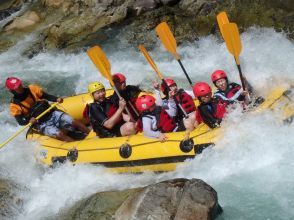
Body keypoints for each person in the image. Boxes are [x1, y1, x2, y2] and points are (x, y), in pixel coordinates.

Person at [6, 77, 90, 142]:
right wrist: (29, 120)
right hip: (41, 123)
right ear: (12, 90)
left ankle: (91, 135)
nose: (20, 87)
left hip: (51, 113)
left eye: (19, 85)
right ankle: (77, 147)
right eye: (17, 87)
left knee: (72, 121)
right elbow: (21, 121)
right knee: (59, 134)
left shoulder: (32, 88)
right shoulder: (14, 105)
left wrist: (56, 99)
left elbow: (46, 96)